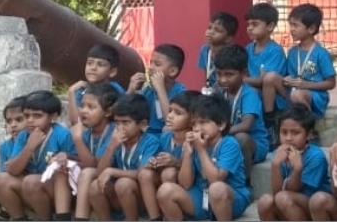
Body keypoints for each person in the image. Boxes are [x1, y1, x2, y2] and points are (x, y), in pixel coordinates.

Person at [155, 94, 252, 221]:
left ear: (221, 125)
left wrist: (201, 150)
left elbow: (215, 179)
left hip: (230, 198)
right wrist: (188, 153)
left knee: (216, 189)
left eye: (203, 122)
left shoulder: (229, 144)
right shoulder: (195, 143)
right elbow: (185, 184)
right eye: (194, 124)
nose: (197, 128)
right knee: (165, 191)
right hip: (201, 194)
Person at [89, 93, 161, 221]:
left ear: (142, 124)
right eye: (117, 122)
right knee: (95, 186)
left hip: (142, 198)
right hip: (120, 197)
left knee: (124, 183)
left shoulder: (151, 142)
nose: (120, 128)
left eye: (126, 122)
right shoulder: (114, 139)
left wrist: (112, 171)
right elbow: (100, 173)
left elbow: (142, 174)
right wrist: (111, 147)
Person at [10, 90, 76, 221]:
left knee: (31, 181)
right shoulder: (23, 136)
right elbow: (13, 170)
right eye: (26, 116)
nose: (30, 120)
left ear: (53, 116)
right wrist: (29, 147)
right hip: (33, 190)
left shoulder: (62, 134)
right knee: (1, 180)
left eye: (37, 116)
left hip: (61, 192)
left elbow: (79, 163)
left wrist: (65, 155)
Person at [256, 104, 329, 221]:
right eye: (284, 132)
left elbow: (294, 189)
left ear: (309, 134)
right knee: (265, 201)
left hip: (314, 207)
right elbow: (277, 191)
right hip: (287, 202)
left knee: (283, 198)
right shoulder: (278, 153)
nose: (288, 138)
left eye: (295, 133)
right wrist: (275, 165)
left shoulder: (316, 156)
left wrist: (298, 168)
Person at [61, 82, 120, 220]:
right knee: (62, 167)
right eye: (82, 106)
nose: (83, 111)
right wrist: (66, 156)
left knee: (87, 172)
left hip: (114, 184)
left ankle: (80, 218)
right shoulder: (88, 132)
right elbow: (85, 159)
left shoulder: (113, 130)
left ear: (108, 112)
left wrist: (78, 140)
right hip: (97, 183)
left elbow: (93, 166)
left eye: (91, 107)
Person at [139, 90, 201, 218]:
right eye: (170, 111)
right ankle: (155, 218)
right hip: (166, 186)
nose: (170, 116)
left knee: (169, 173)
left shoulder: (195, 140)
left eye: (178, 113)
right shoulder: (165, 137)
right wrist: (154, 163)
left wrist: (176, 162)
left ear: (192, 119)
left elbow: (190, 180)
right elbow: (155, 162)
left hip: (191, 190)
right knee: (145, 174)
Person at [212, 44, 271, 172]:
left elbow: (246, 126)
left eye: (229, 74)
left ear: (244, 73)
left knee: (241, 138)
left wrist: (217, 132)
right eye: (219, 74)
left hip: (253, 143)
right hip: (226, 137)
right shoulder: (218, 91)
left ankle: (244, 179)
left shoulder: (249, 94)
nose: (223, 79)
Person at [284, 3, 337, 119]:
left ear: (311, 29)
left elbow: (331, 83)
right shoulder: (292, 52)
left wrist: (306, 85)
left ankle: (309, 124)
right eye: (290, 25)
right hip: (295, 91)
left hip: (316, 96)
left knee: (296, 95)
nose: (291, 29)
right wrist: (287, 79)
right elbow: (289, 75)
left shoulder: (321, 53)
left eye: (295, 25)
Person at [245, 2, 288, 139]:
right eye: (248, 24)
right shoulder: (248, 49)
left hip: (276, 96)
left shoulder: (274, 50)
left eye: (255, 24)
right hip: (255, 90)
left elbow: (262, 80)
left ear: (270, 26)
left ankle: (270, 122)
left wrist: (242, 80)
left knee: (268, 78)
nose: (250, 28)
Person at [130, 44, 187, 136]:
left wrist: (160, 89)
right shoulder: (148, 90)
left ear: (172, 71)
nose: (151, 68)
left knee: (167, 130)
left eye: (157, 64)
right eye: (150, 63)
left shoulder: (181, 93)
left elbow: (171, 121)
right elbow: (126, 113)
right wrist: (131, 90)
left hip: (167, 137)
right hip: (147, 135)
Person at [67, 44, 126, 125]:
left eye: (100, 64)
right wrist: (71, 92)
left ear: (112, 72)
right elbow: (75, 122)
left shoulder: (114, 90)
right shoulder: (82, 90)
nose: (93, 68)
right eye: (89, 63)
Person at [197, 12, 238, 95]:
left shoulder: (233, 54)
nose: (210, 32)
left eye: (217, 30)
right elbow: (206, 77)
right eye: (209, 28)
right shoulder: (204, 50)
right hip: (212, 92)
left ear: (228, 38)